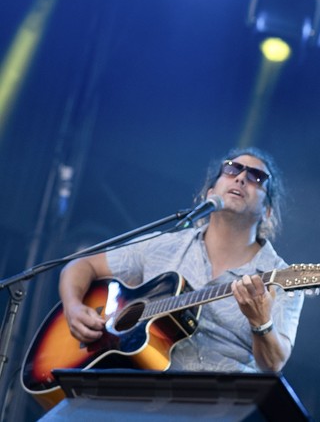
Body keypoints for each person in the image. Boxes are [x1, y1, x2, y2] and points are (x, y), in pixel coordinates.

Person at [59, 147, 303, 373]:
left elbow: (273, 364)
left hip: (220, 403)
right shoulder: (165, 244)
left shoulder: (280, 278)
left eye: (257, 177)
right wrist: (73, 307)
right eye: (231, 169)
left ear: (268, 211)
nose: (241, 178)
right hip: (133, 384)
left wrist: (261, 322)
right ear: (210, 193)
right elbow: (82, 264)